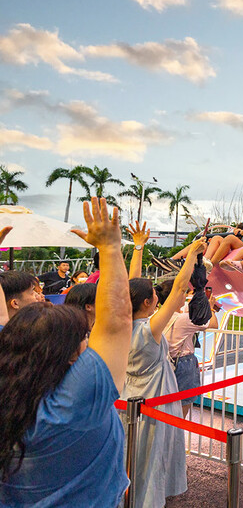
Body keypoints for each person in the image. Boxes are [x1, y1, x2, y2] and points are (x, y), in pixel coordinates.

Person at [0, 197, 133, 506]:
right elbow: (117, 322)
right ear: (69, 353)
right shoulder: (76, 400)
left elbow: (3, 322)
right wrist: (112, 249)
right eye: (82, 339)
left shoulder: (7, 380)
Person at [121, 239, 206, 507]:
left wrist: (138, 248)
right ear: (147, 302)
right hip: (153, 400)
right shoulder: (148, 330)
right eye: (154, 294)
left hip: (128, 399)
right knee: (150, 459)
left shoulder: (119, 327)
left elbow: (128, 287)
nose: (159, 295)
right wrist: (191, 253)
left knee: (130, 457)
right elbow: (180, 288)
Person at [162, 278, 219, 418]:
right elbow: (213, 324)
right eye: (183, 293)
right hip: (183, 364)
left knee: (164, 404)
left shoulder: (159, 315)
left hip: (164, 362)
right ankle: (175, 437)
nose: (186, 296)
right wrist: (210, 307)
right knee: (182, 407)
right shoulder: (183, 320)